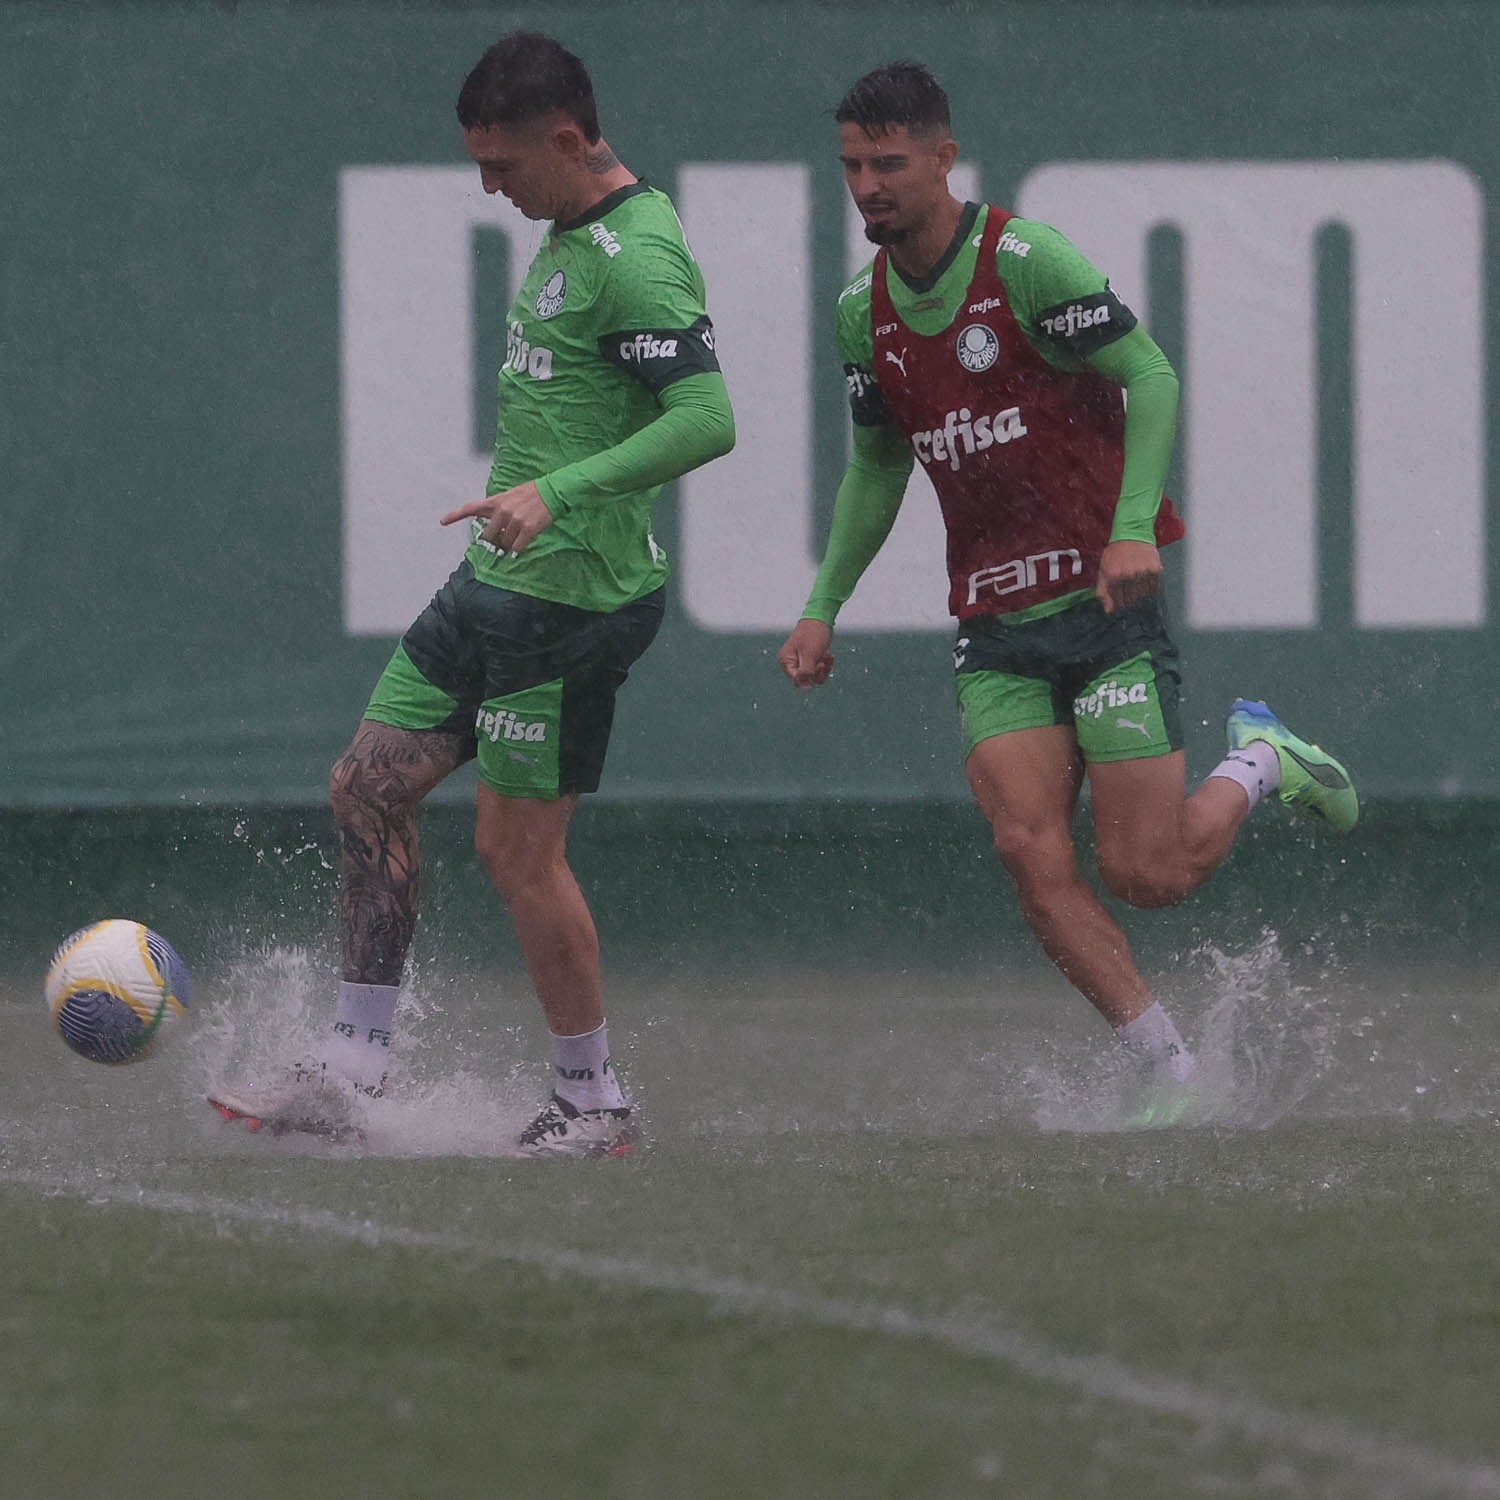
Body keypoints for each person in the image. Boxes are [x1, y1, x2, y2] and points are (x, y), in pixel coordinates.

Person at [778, 61, 1357, 1122]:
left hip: (1103, 609)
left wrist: (1132, 528)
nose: (868, 184)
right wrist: (823, 604)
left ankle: (1264, 757)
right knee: (1025, 848)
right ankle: (1169, 1069)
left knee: (1149, 872)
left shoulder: (1026, 260)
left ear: (944, 159)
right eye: (854, 164)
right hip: (994, 624)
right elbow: (877, 462)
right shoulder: (861, 312)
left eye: (890, 163)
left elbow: (1152, 375)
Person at [210, 31, 734, 1154]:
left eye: (500, 164)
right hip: (493, 582)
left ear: (564, 138)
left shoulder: (635, 256)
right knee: (363, 787)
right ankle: (353, 1068)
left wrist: (560, 491)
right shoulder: (564, 230)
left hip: (575, 604)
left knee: (515, 852)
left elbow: (709, 420)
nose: (486, 186)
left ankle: (594, 1103)